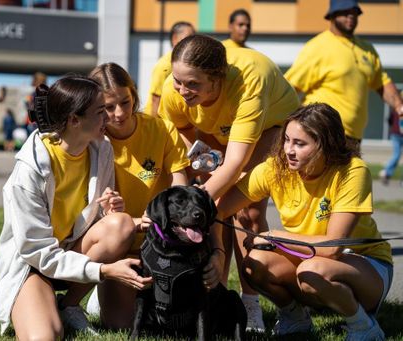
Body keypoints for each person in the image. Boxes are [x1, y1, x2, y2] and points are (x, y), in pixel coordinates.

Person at [0, 75, 152, 339]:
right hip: (34, 264)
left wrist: (110, 210)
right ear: (74, 120)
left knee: (121, 224)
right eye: (101, 112)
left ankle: (69, 305)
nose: (109, 118)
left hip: (73, 251)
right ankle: (39, 302)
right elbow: (38, 253)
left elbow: (96, 218)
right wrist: (104, 271)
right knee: (44, 336)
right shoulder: (28, 171)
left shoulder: (102, 149)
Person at [158, 34, 299, 332]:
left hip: (271, 125)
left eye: (192, 84)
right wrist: (192, 180)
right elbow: (180, 138)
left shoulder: (250, 82)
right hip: (214, 130)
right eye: (178, 81)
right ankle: (216, 296)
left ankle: (251, 302)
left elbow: (235, 164)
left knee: (244, 210)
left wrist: (199, 200)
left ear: (217, 78)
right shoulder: (176, 89)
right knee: (213, 212)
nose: (182, 90)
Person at [216, 103, 393, 339]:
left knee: (313, 270)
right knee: (253, 263)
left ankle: (364, 327)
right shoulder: (274, 168)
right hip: (308, 264)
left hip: (366, 265)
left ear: (325, 145)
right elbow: (220, 208)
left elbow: (332, 248)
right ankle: (295, 318)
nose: (288, 149)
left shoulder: (352, 171)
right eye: (287, 139)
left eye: (300, 144)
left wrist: (275, 237)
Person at [87, 62, 189, 326]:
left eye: (125, 101)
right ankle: (102, 287)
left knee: (171, 323)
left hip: (160, 242)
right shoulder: (91, 141)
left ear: (135, 95)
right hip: (118, 247)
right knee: (120, 324)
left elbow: (180, 189)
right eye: (108, 107)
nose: (119, 113)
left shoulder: (161, 129)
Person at [285, 0, 403, 151]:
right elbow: (289, 88)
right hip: (321, 131)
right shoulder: (317, 47)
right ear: (332, 15)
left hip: (354, 137)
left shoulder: (367, 49)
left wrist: (400, 106)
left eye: (355, 13)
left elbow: (382, 83)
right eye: (345, 12)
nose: (351, 16)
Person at [143, 21, 195, 117]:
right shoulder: (164, 65)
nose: (192, 42)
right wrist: (156, 128)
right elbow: (155, 98)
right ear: (175, 38)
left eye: (193, 38)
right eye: (189, 37)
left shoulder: (189, 63)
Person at [379, 90, 403, 186]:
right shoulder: (399, 108)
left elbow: (390, 120)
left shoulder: (396, 108)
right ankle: (386, 171)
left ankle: (386, 172)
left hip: (396, 134)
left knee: (396, 155)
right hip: (397, 135)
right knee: (396, 155)